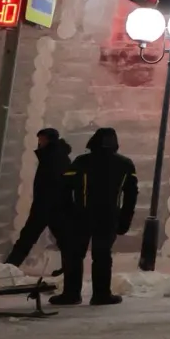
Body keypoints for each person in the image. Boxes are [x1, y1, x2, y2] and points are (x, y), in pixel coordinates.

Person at [54, 127, 137, 306]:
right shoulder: (125, 164)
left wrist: (67, 213)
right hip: (108, 217)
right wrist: (125, 218)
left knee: (75, 255)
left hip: (81, 215)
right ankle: (101, 295)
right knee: (102, 255)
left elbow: (64, 189)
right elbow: (131, 195)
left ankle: (71, 294)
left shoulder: (81, 162)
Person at [5, 128, 72, 271]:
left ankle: (9, 267)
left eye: (41, 139)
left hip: (49, 206)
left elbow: (55, 183)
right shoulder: (54, 155)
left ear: (48, 139)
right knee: (63, 240)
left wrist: (48, 203)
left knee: (28, 238)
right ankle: (70, 269)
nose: (39, 143)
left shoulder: (54, 157)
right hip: (50, 205)